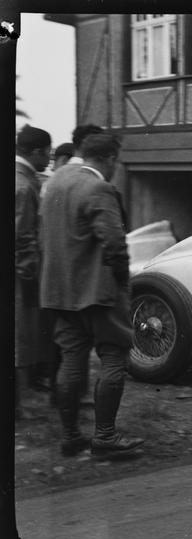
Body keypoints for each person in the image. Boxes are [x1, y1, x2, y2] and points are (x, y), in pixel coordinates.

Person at [39, 132, 144, 459]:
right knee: (114, 356)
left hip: (60, 291)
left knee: (72, 360)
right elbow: (115, 243)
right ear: (110, 158)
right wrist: (123, 284)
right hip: (98, 292)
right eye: (117, 161)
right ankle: (105, 437)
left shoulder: (56, 180)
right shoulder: (98, 188)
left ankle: (70, 436)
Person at [14, 125, 52, 418]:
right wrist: (31, 275)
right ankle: (17, 406)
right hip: (21, 274)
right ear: (37, 152)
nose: (49, 159)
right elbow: (22, 236)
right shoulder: (25, 185)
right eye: (47, 153)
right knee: (20, 338)